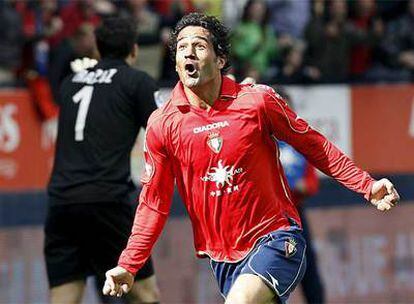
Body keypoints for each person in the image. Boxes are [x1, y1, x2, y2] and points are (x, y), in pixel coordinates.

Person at [103, 13, 400, 304]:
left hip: (277, 238)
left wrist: (366, 185)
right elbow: (153, 201)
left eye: (199, 45)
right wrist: (129, 264)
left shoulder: (257, 101)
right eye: (182, 47)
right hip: (223, 258)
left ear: (220, 60)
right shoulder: (162, 123)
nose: (189, 52)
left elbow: (313, 144)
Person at [45, 17, 160, 304]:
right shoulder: (137, 81)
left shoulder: (70, 83)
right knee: (145, 295)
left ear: (97, 48)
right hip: (108, 201)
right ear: (133, 50)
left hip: (62, 201)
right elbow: (164, 134)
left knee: (64, 297)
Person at [276, 87, 325, 304]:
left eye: (287, 106)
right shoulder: (259, 140)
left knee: (308, 267)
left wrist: (289, 183)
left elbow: (311, 185)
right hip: (267, 217)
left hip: (295, 213)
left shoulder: (298, 140)